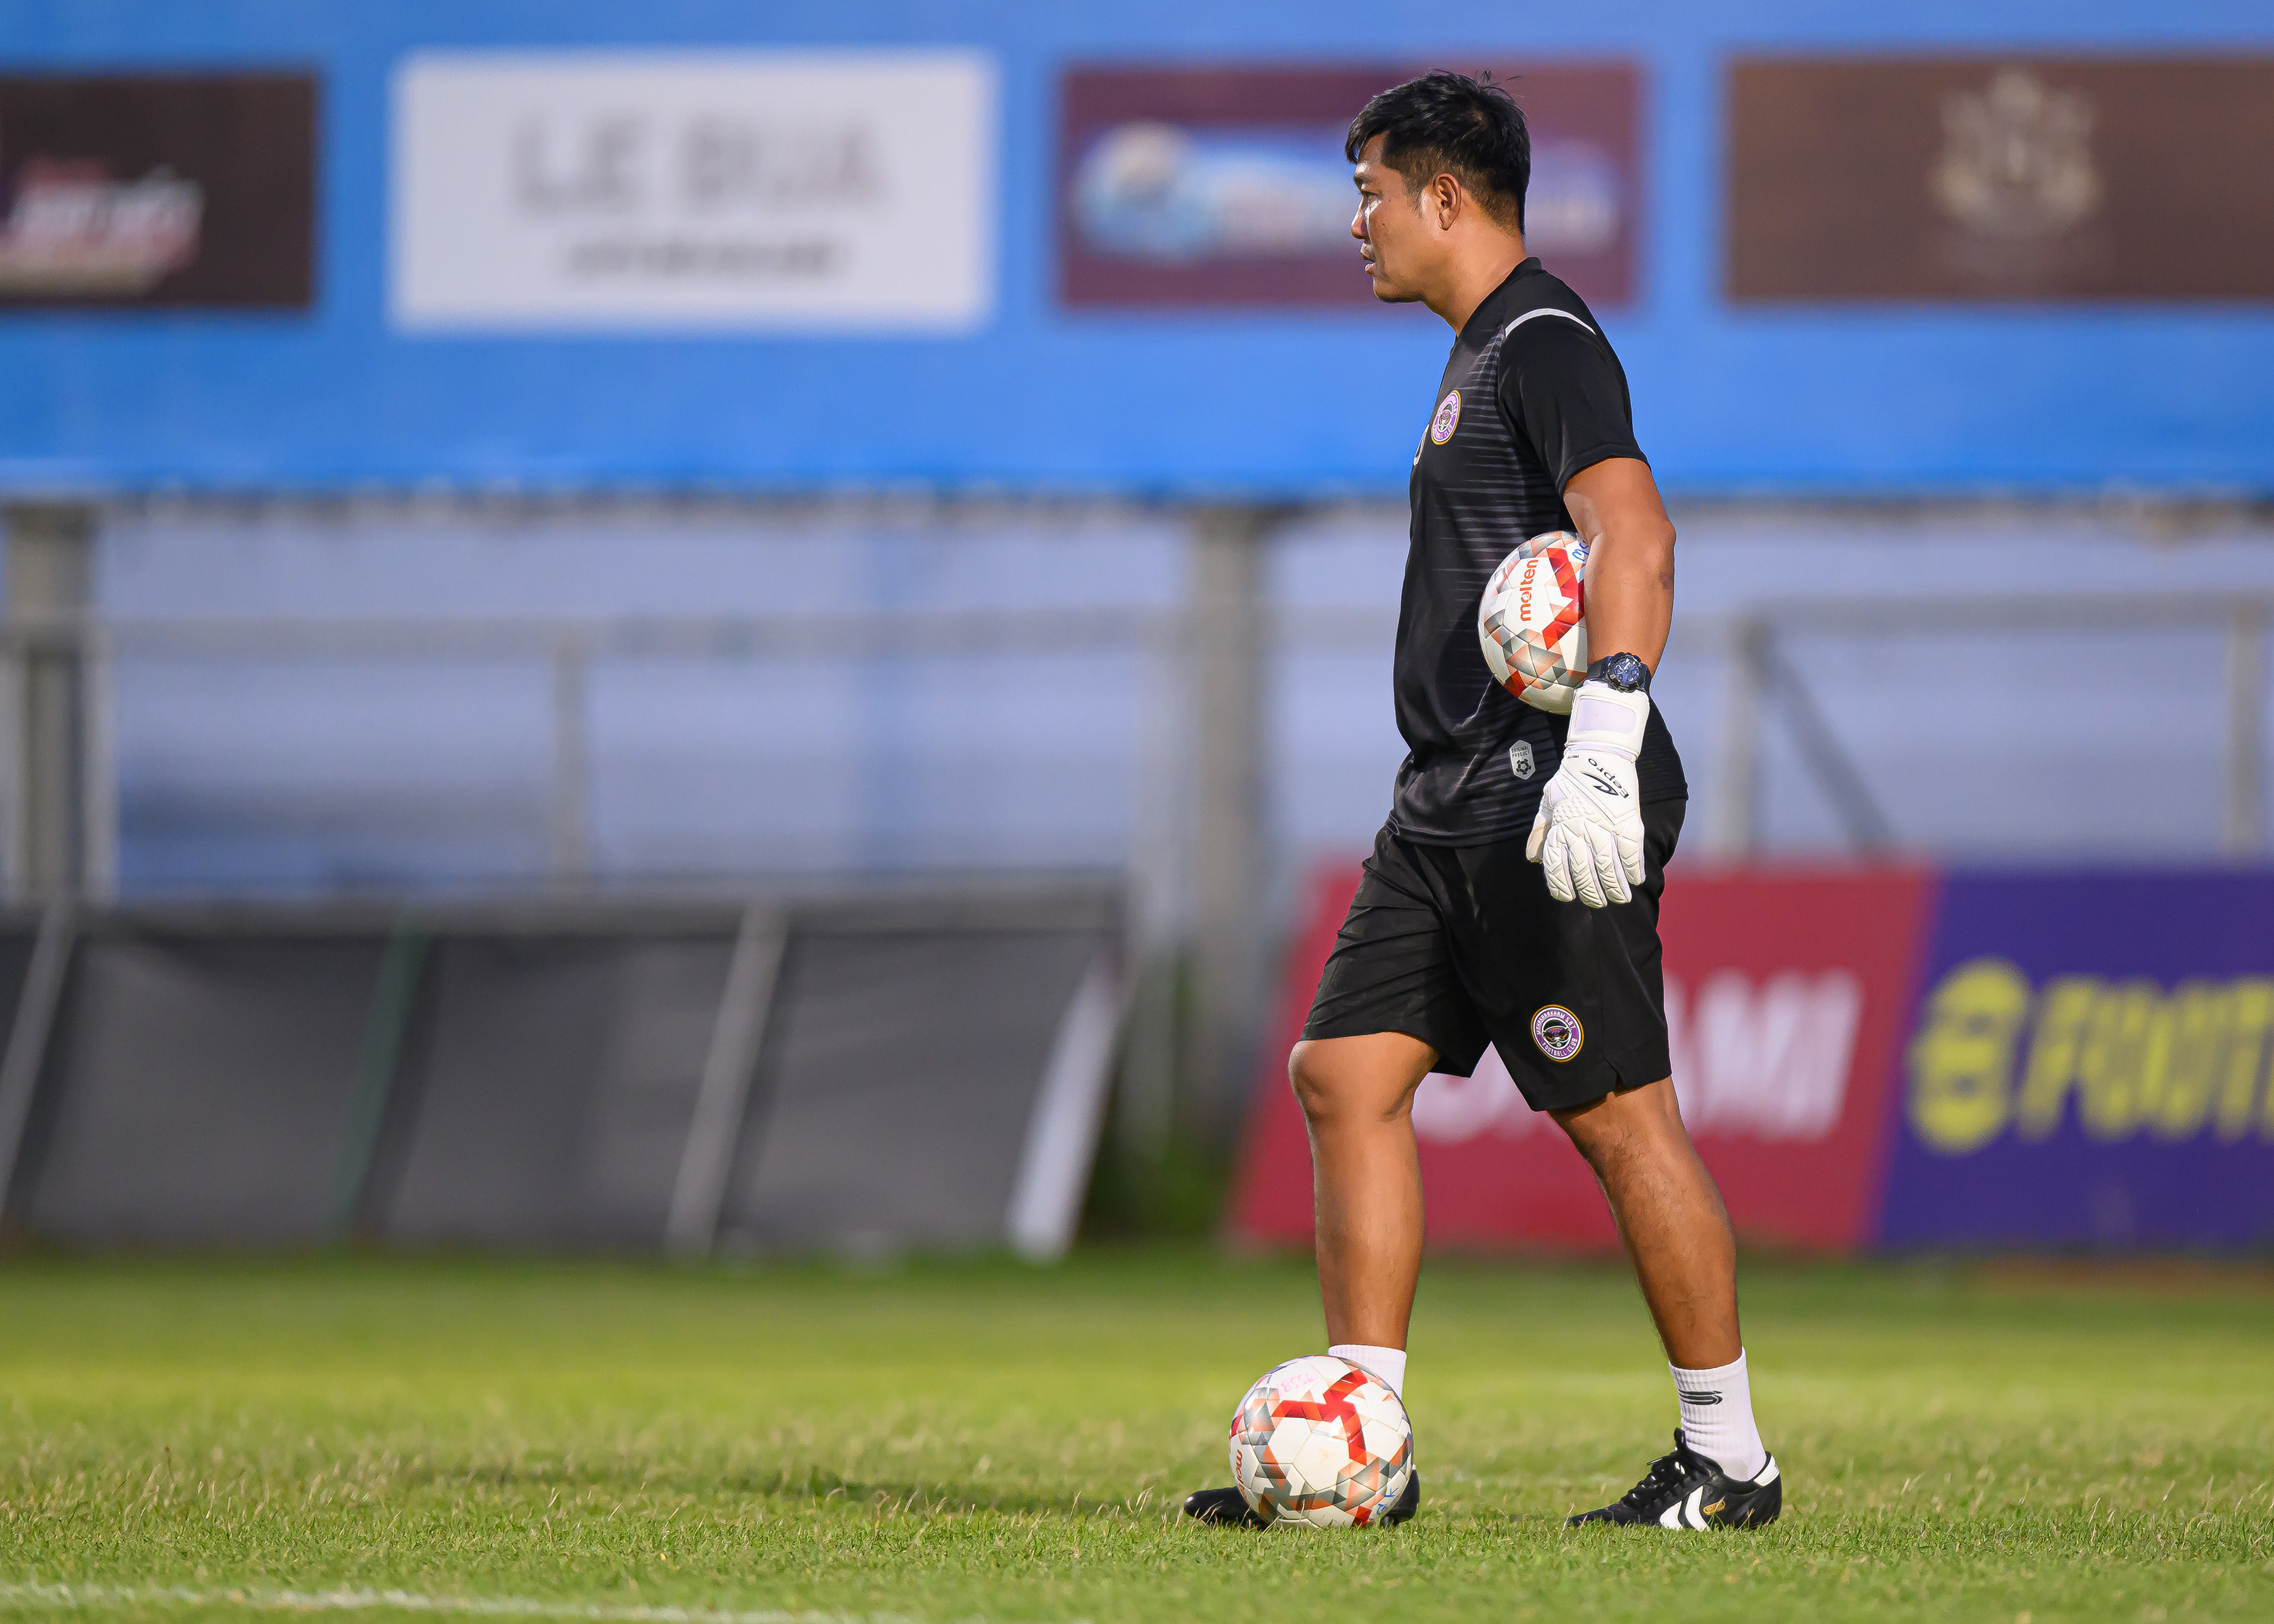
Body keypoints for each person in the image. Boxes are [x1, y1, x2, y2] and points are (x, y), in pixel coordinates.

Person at [1184, 70, 1780, 1531]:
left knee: (1620, 1119)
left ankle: (1731, 1460)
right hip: (1441, 799)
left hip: (1545, 791)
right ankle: (1360, 1442)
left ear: (1445, 196)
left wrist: (1605, 742)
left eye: (1371, 194)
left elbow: (1634, 534)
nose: (1357, 223)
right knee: (1342, 1075)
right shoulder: (1478, 353)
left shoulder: (1544, 339)